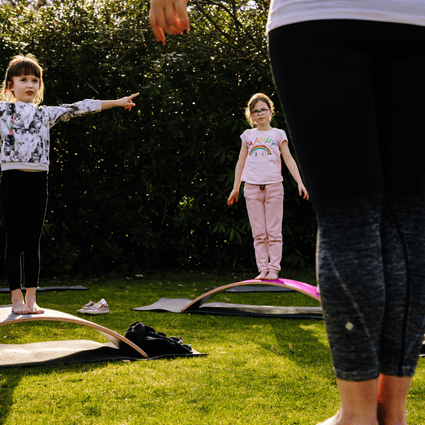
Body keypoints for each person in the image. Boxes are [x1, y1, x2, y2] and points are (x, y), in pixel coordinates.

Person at [148, 1, 425, 424]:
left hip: (317, 17)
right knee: (408, 221)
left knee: (351, 219)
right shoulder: (251, 134)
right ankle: (392, 413)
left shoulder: (273, 132)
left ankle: (358, 415)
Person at [0, 54, 139, 315]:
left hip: (38, 180)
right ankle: (16, 299)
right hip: (12, 179)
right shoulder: (2, 110)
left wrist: (117, 102)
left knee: (32, 241)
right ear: (10, 86)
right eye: (23, 79)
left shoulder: (46, 114)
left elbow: (80, 107)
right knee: (14, 241)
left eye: (35, 80)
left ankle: (31, 299)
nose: (30, 85)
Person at [227, 93, 308, 280]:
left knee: (273, 232)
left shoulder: (278, 134)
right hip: (252, 188)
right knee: (259, 233)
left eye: (263, 109)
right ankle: (262, 269)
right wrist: (235, 187)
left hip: (274, 187)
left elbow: (288, 159)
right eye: (255, 111)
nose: (260, 113)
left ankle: (274, 269)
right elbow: (240, 162)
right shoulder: (248, 135)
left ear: (270, 111)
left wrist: (300, 182)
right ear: (251, 115)